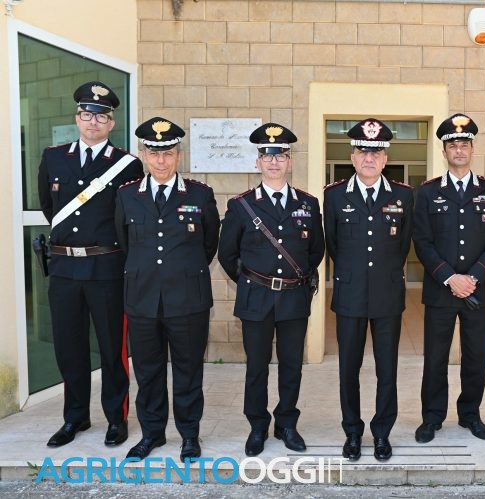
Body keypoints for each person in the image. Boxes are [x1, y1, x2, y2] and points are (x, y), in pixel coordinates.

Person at [38, 81, 143, 448]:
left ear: (111, 123)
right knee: (70, 347)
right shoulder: (54, 157)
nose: (92, 121)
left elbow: (131, 218)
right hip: (64, 269)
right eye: (86, 114)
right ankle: (75, 417)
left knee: (113, 348)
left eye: (101, 116)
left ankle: (116, 418)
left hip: (107, 268)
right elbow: (50, 208)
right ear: (77, 118)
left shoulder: (127, 164)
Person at [114, 117, 220, 461]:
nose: (161, 160)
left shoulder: (200, 194)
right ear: (144, 155)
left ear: (178, 155)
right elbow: (124, 243)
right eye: (154, 153)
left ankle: (189, 435)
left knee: (189, 371)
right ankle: (153, 434)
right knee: (148, 372)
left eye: (168, 153)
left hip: (188, 299)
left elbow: (209, 244)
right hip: (142, 299)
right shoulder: (127, 195)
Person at [218, 123, 324, 457]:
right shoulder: (241, 205)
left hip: (294, 298)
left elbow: (316, 251)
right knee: (257, 367)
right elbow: (227, 254)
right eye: (267, 155)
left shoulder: (308, 204)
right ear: (258, 162)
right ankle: (257, 426)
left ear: (290, 161)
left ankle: (287, 424)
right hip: (255, 298)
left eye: (280, 156)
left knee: (292, 365)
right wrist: (253, 282)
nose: (274, 162)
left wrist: (293, 282)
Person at [412, 114, 485, 444]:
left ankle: (471, 415)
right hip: (441, 291)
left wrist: (473, 277)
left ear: (472, 149)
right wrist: (450, 277)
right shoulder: (427, 192)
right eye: (453, 145)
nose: (459, 150)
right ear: (444, 151)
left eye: (464, 144)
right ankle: (432, 417)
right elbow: (421, 241)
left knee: (476, 357)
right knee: (435, 358)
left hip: (478, 291)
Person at [323, 118, 413, 461]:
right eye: (363, 151)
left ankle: (382, 433)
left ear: (386, 158)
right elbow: (333, 245)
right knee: (349, 369)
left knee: (386, 370)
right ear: (352, 156)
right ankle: (352, 432)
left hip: (388, 296)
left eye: (376, 152)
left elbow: (403, 245)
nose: (369, 158)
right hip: (349, 296)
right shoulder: (334, 195)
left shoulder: (403, 195)